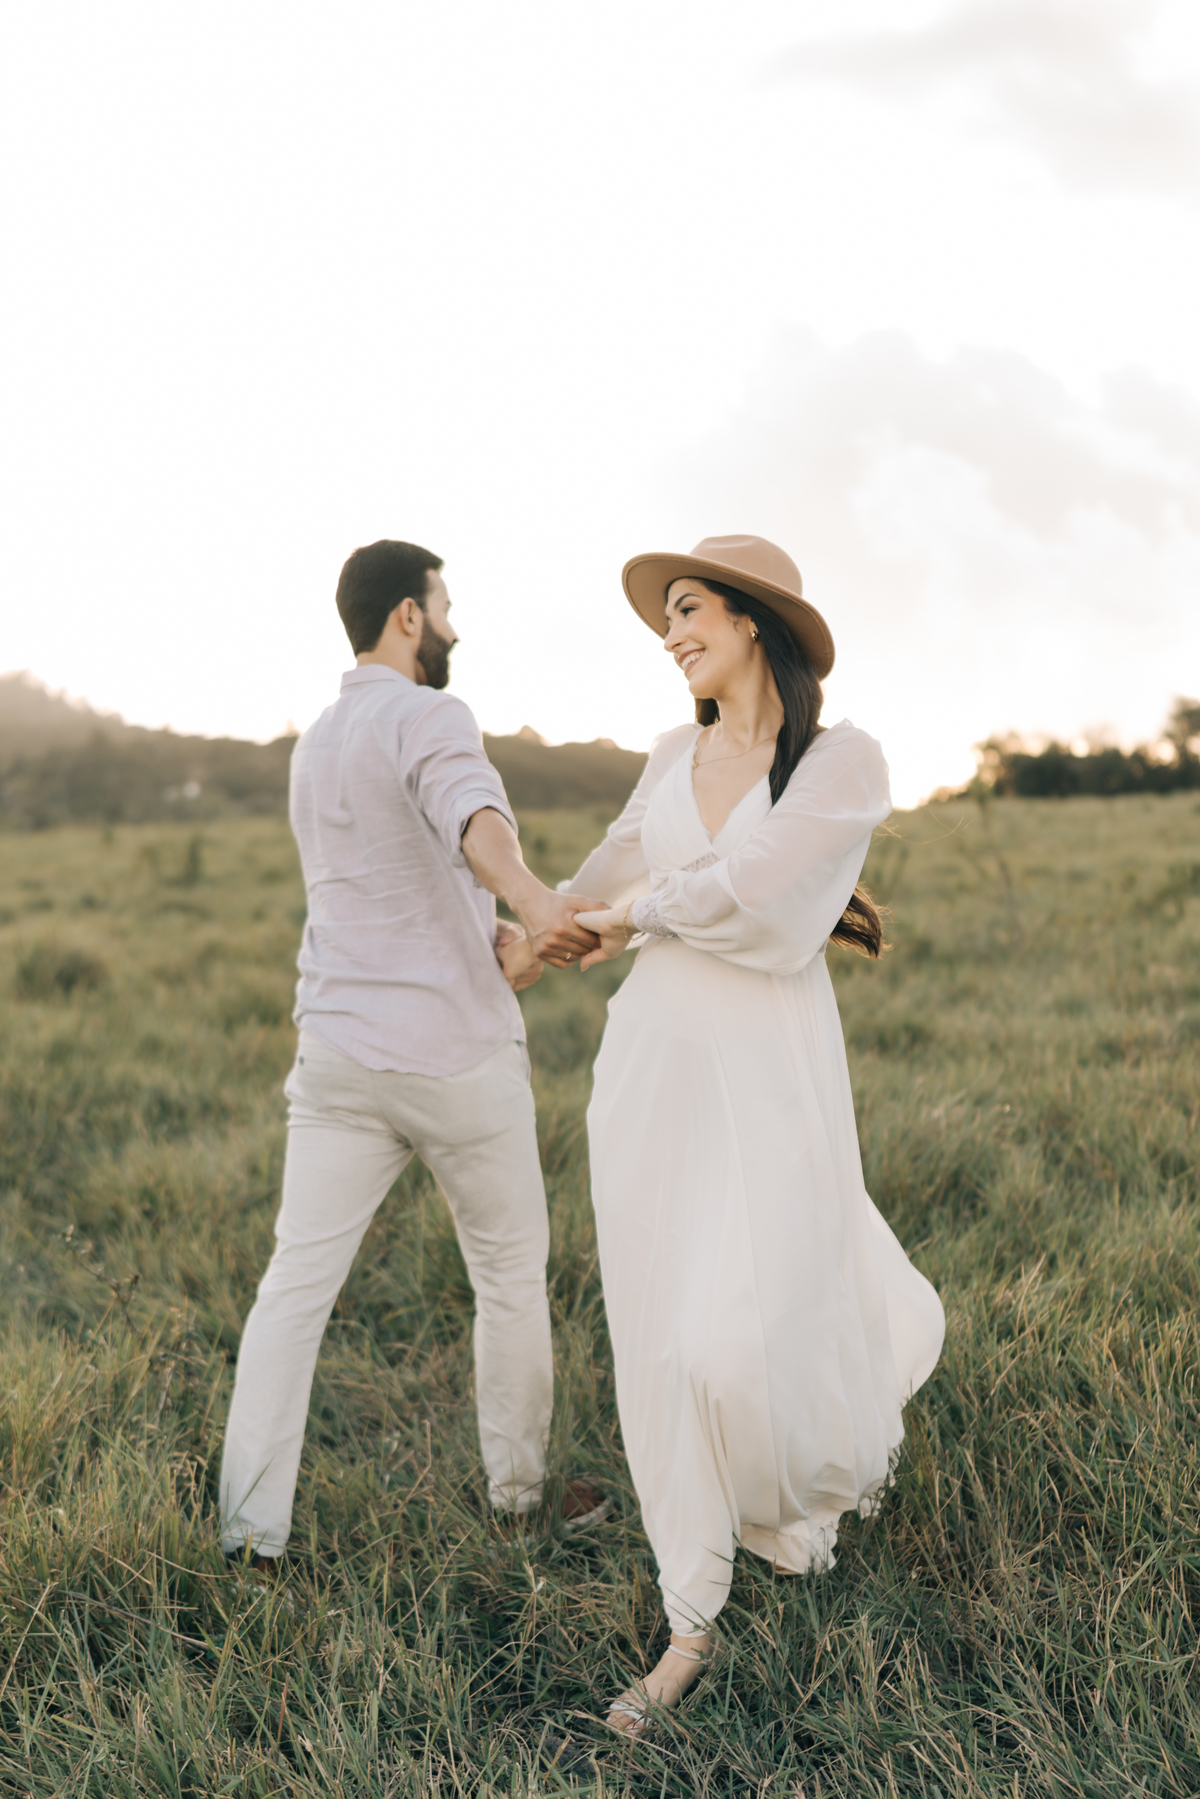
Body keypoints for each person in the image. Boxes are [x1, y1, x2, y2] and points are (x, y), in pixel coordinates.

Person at [567, 535, 945, 1733]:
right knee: (663, 1341)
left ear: (751, 621)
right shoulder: (672, 752)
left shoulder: (841, 760)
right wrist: (528, 926)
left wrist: (636, 911)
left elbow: (760, 892)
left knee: (744, 1335)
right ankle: (688, 1618)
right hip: (652, 1069)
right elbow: (603, 879)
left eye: (687, 609)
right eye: (666, 618)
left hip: (772, 1065)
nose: (671, 633)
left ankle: (793, 1496)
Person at [219, 538, 607, 1570]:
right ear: (405, 615)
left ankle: (249, 1534)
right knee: (510, 1276)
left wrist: (488, 924)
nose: (454, 624)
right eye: (445, 604)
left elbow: (390, 877)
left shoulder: (317, 740)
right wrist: (531, 901)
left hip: (337, 1054)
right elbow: (473, 815)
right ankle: (521, 1498)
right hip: (451, 1054)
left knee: (292, 1288)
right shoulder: (433, 714)